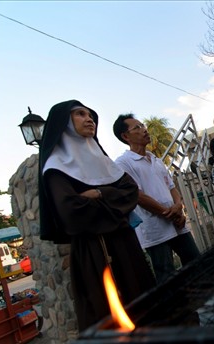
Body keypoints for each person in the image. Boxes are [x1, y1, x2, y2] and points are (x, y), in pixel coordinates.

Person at [38, 100, 156, 332]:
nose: (89, 118)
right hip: (94, 250)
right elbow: (72, 213)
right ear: (63, 123)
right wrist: (116, 204)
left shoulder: (102, 160)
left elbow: (130, 192)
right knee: (109, 317)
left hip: (126, 245)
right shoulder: (56, 166)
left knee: (144, 309)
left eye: (90, 114)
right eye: (80, 114)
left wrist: (99, 193)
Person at [113, 113, 201, 284]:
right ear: (125, 136)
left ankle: (202, 300)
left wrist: (179, 207)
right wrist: (168, 213)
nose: (144, 130)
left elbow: (172, 187)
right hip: (154, 229)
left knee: (196, 262)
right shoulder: (123, 163)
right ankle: (176, 309)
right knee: (166, 275)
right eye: (137, 128)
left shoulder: (156, 160)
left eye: (143, 125)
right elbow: (138, 196)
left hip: (177, 223)